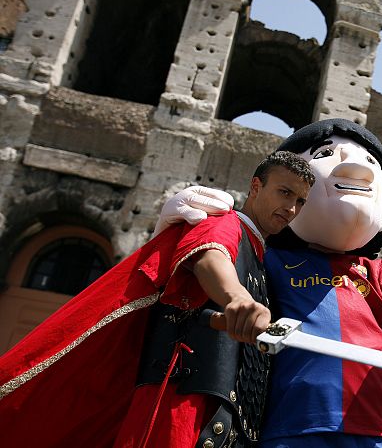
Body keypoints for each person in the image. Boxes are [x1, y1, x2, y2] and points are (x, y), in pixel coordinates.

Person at [158, 118, 382, 448]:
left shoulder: (375, 271)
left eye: (371, 161)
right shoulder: (270, 257)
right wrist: (173, 234)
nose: (356, 165)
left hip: (380, 431)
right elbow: (204, 270)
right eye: (326, 153)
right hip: (292, 427)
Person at [0, 151, 314, 448]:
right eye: (284, 192)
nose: (291, 208)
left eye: (300, 201)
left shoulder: (262, 256)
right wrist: (236, 298)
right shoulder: (224, 222)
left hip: (218, 413)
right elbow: (210, 256)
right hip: (178, 403)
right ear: (256, 186)